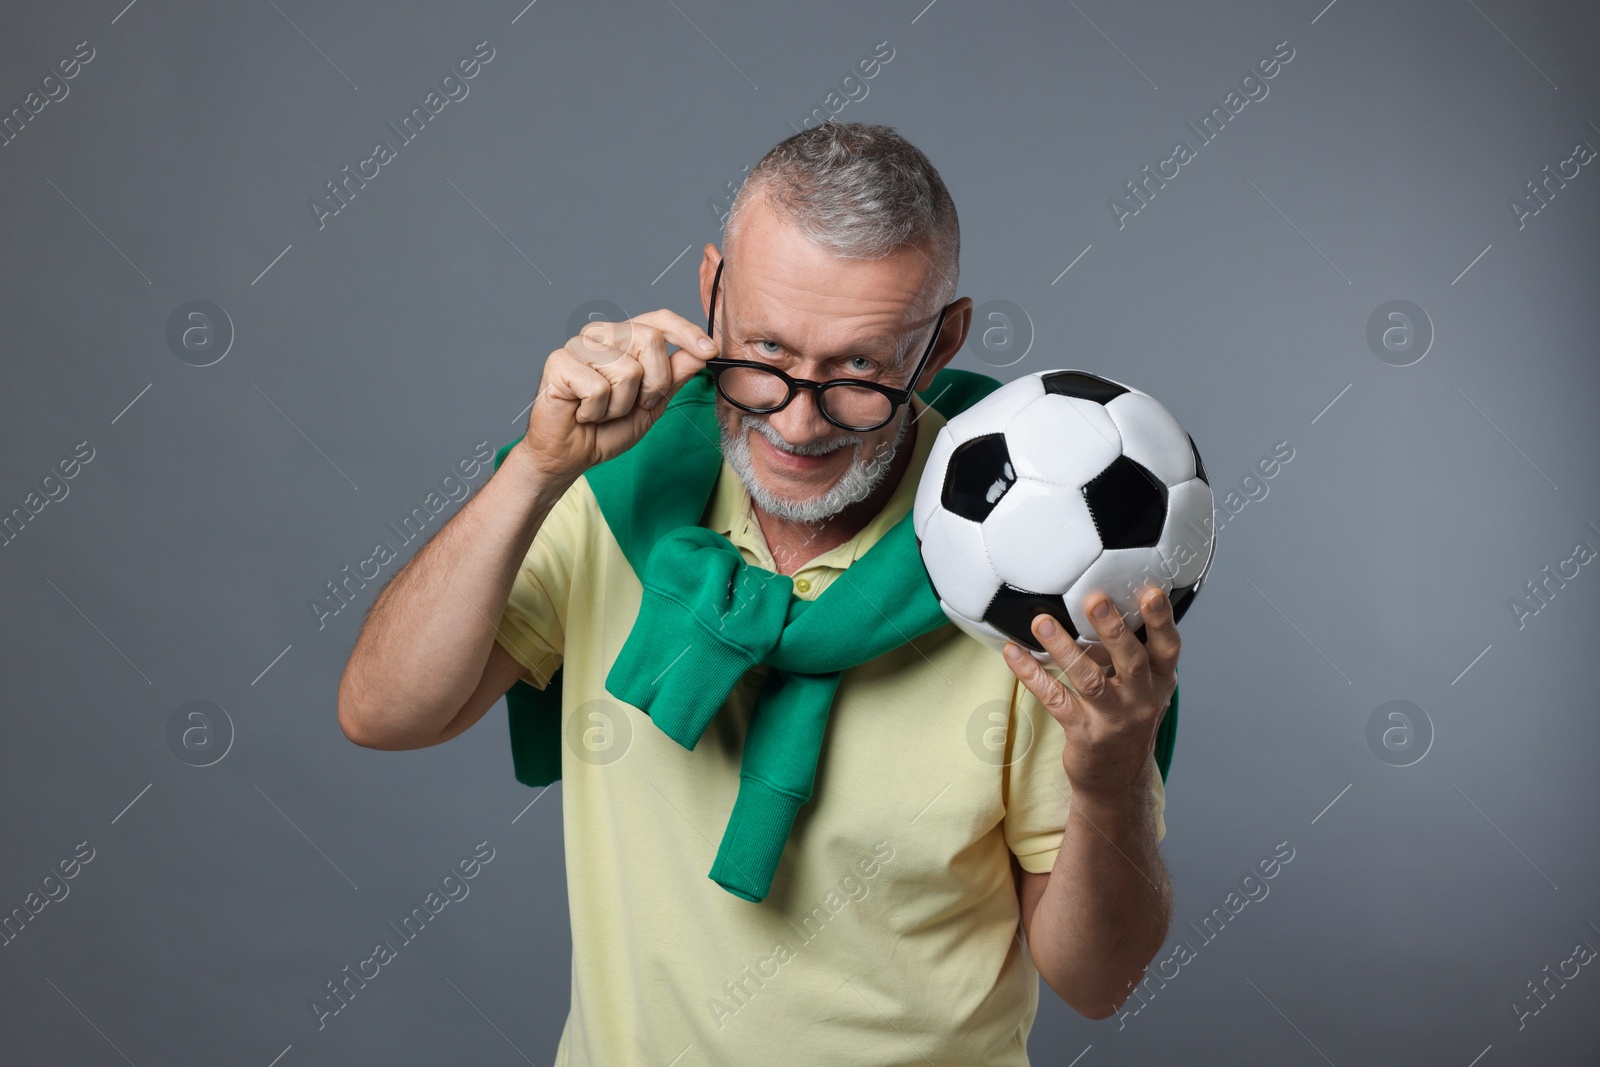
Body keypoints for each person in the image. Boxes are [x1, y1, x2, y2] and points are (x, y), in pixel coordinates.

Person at [336, 121, 1183, 1065]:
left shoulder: (1036, 576)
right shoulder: (615, 487)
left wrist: (1111, 782)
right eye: (766, 351)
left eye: (860, 370)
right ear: (711, 291)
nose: (798, 418)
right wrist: (533, 471)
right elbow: (384, 713)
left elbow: (1097, 983)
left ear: (941, 341)